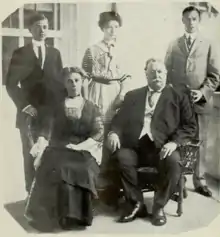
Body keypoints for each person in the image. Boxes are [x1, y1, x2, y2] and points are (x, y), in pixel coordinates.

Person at [106, 58, 197, 226]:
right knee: (121, 158)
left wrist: (174, 143)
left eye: (160, 72)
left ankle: (158, 207)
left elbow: (190, 126)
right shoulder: (133, 96)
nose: (157, 75)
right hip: (135, 146)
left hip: (163, 147)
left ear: (166, 74)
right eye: (152, 72)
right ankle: (136, 204)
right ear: (146, 75)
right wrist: (113, 133)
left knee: (174, 163)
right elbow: (119, 120)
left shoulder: (178, 97)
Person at [24, 67, 104, 231]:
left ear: (82, 83)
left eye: (77, 80)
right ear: (64, 84)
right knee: (57, 168)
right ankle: (56, 216)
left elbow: (98, 132)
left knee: (83, 169)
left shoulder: (92, 107)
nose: (73, 84)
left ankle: (77, 216)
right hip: (59, 148)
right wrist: (40, 145)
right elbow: (47, 129)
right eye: (69, 81)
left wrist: (80, 146)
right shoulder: (56, 107)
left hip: (83, 150)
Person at [165, 6, 220, 197]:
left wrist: (202, 92)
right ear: (182, 21)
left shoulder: (209, 44)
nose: (190, 22)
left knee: (200, 141)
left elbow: (214, 76)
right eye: (187, 19)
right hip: (178, 104)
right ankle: (179, 181)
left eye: (194, 19)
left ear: (199, 21)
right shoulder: (174, 44)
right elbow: (167, 72)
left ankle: (200, 180)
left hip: (200, 102)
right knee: (179, 140)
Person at [6, 12, 63, 194]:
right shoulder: (20, 53)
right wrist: (25, 105)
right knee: (30, 153)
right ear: (30, 30)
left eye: (45, 27)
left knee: (50, 151)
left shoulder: (55, 53)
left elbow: (60, 82)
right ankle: (31, 195)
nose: (42, 30)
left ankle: (48, 195)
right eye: (38, 27)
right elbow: (11, 84)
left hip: (50, 113)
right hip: (29, 112)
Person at [82, 11, 131, 174]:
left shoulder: (122, 50)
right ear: (102, 28)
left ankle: (112, 173)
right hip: (98, 90)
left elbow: (126, 75)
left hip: (115, 91)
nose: (113, 30)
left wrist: (122, 94)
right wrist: (86, 99)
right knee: (98, 128)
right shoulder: (92, 50)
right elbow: (85, 76)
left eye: (116, 27)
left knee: (114, 129)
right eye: (109, 27)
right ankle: (97, 172)